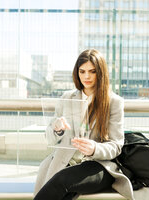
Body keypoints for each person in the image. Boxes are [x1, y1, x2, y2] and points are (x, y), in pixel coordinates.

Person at [33, 49, 135, 200]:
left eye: (92, 71)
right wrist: (56, 129)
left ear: (100, 73)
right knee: (61, 189)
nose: (86, 76)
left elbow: (116, 145)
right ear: (77, 73)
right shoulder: (67, 98)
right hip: (64, 161)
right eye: (82, 71)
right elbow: (49, 139)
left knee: (61, 181)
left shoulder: (114, 102)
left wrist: (94, 148)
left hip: (97, 165)